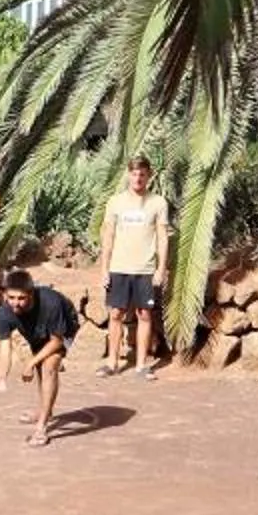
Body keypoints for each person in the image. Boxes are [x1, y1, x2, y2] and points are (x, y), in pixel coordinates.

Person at [97, 154, 171, 377]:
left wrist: (160, 269)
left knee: (144, 315)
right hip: (119, 267)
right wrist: (104, 269)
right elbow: (108, 236)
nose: (138, 178)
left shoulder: (158, 203)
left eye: (142, 174)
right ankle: (112, 363)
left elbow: (162, 237)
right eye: (134, 173)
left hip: (145, 270)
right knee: (116, 314)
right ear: (128, 175)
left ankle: (141, 365)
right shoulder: (115, 202)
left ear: (149, 176)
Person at [0, 266, 80, 448]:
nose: (16, 303)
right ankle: (44, 411)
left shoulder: (51, 303)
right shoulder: (5, 313)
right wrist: (1, 378)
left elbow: (56, 341)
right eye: (11, 298)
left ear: (31, 294)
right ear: (5, 295)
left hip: (64, 328)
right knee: (41, 367)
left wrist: (30, 363)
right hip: (37, 332)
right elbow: (5, 347)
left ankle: (42, 427)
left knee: (49, 367)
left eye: (21, 298)